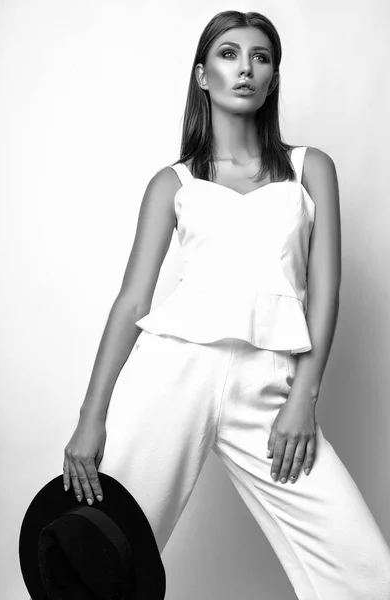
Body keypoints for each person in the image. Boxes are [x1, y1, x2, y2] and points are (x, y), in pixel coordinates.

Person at [62, 10, 390, 599]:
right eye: (230, 54)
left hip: (271, 386)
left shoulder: (310, 170)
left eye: (260, 57)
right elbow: (132, 299)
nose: (245, 68)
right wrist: (92, 418)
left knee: (364, 567)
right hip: (174, 372)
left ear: (272, 78)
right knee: (100, 554)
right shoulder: (173, 183)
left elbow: (326, 290)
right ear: (202, 75)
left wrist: (304, 398)